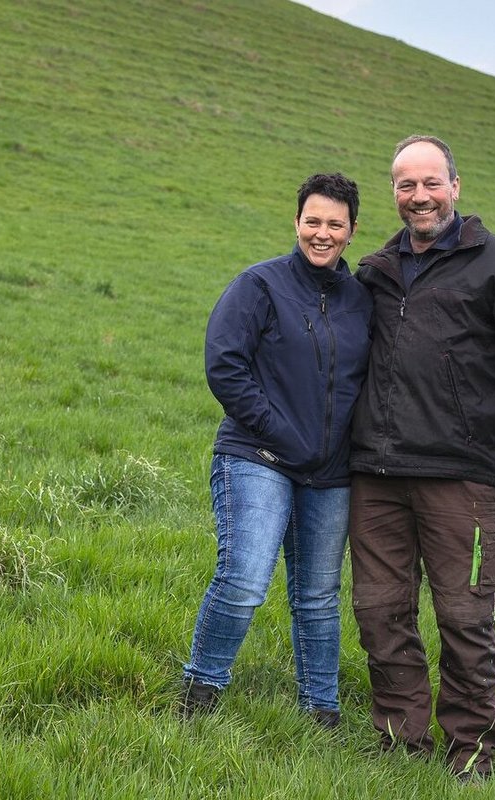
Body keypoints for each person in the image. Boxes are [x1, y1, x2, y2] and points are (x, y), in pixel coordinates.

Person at [348, 135, 495, 780]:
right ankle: (400, 745)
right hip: (376, 474)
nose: (418, 196)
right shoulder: (374, 270)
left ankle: (472, 756)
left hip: (463, 475)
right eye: (404, 185)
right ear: (393, 192)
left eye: (430, 183)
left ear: (455, 185)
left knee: (464, 615)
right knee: (379, 611)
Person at [180, 173, 373, 727]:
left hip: (331, 471)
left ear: (352, 231)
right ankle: (201, 691)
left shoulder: (362, 301)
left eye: (335, 224)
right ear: (296, 223)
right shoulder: (259, 285)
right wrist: (280, 431)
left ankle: (321, 709)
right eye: (312, 220)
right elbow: (225, 364)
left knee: (318, 594)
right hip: (257, 456)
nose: (322, 233)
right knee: (243, 578)